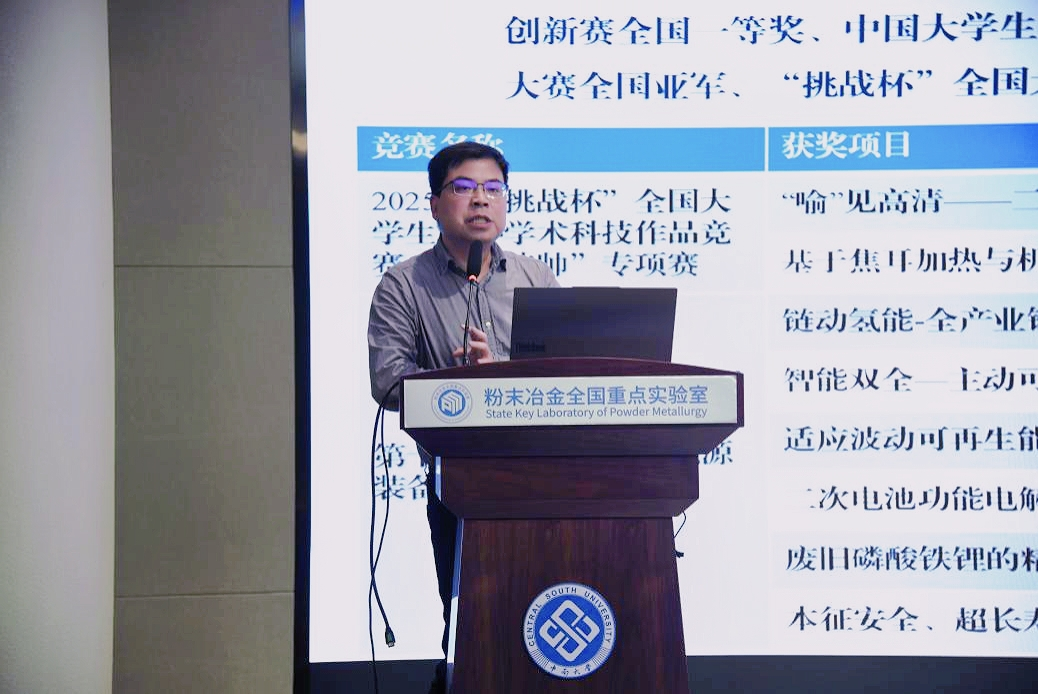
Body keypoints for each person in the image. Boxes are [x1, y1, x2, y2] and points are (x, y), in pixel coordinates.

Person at [367, 141, 558, 693]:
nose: (481, 200)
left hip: (550, 481)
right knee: (476, 631)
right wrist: (459, 385)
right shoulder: (404, 284)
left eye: (494, 189)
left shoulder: (535, 277)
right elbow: (388, 381)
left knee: (554, 613)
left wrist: (500, 375)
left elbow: (566, 375)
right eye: (464, 188)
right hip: (463, 488)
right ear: (434, 203)